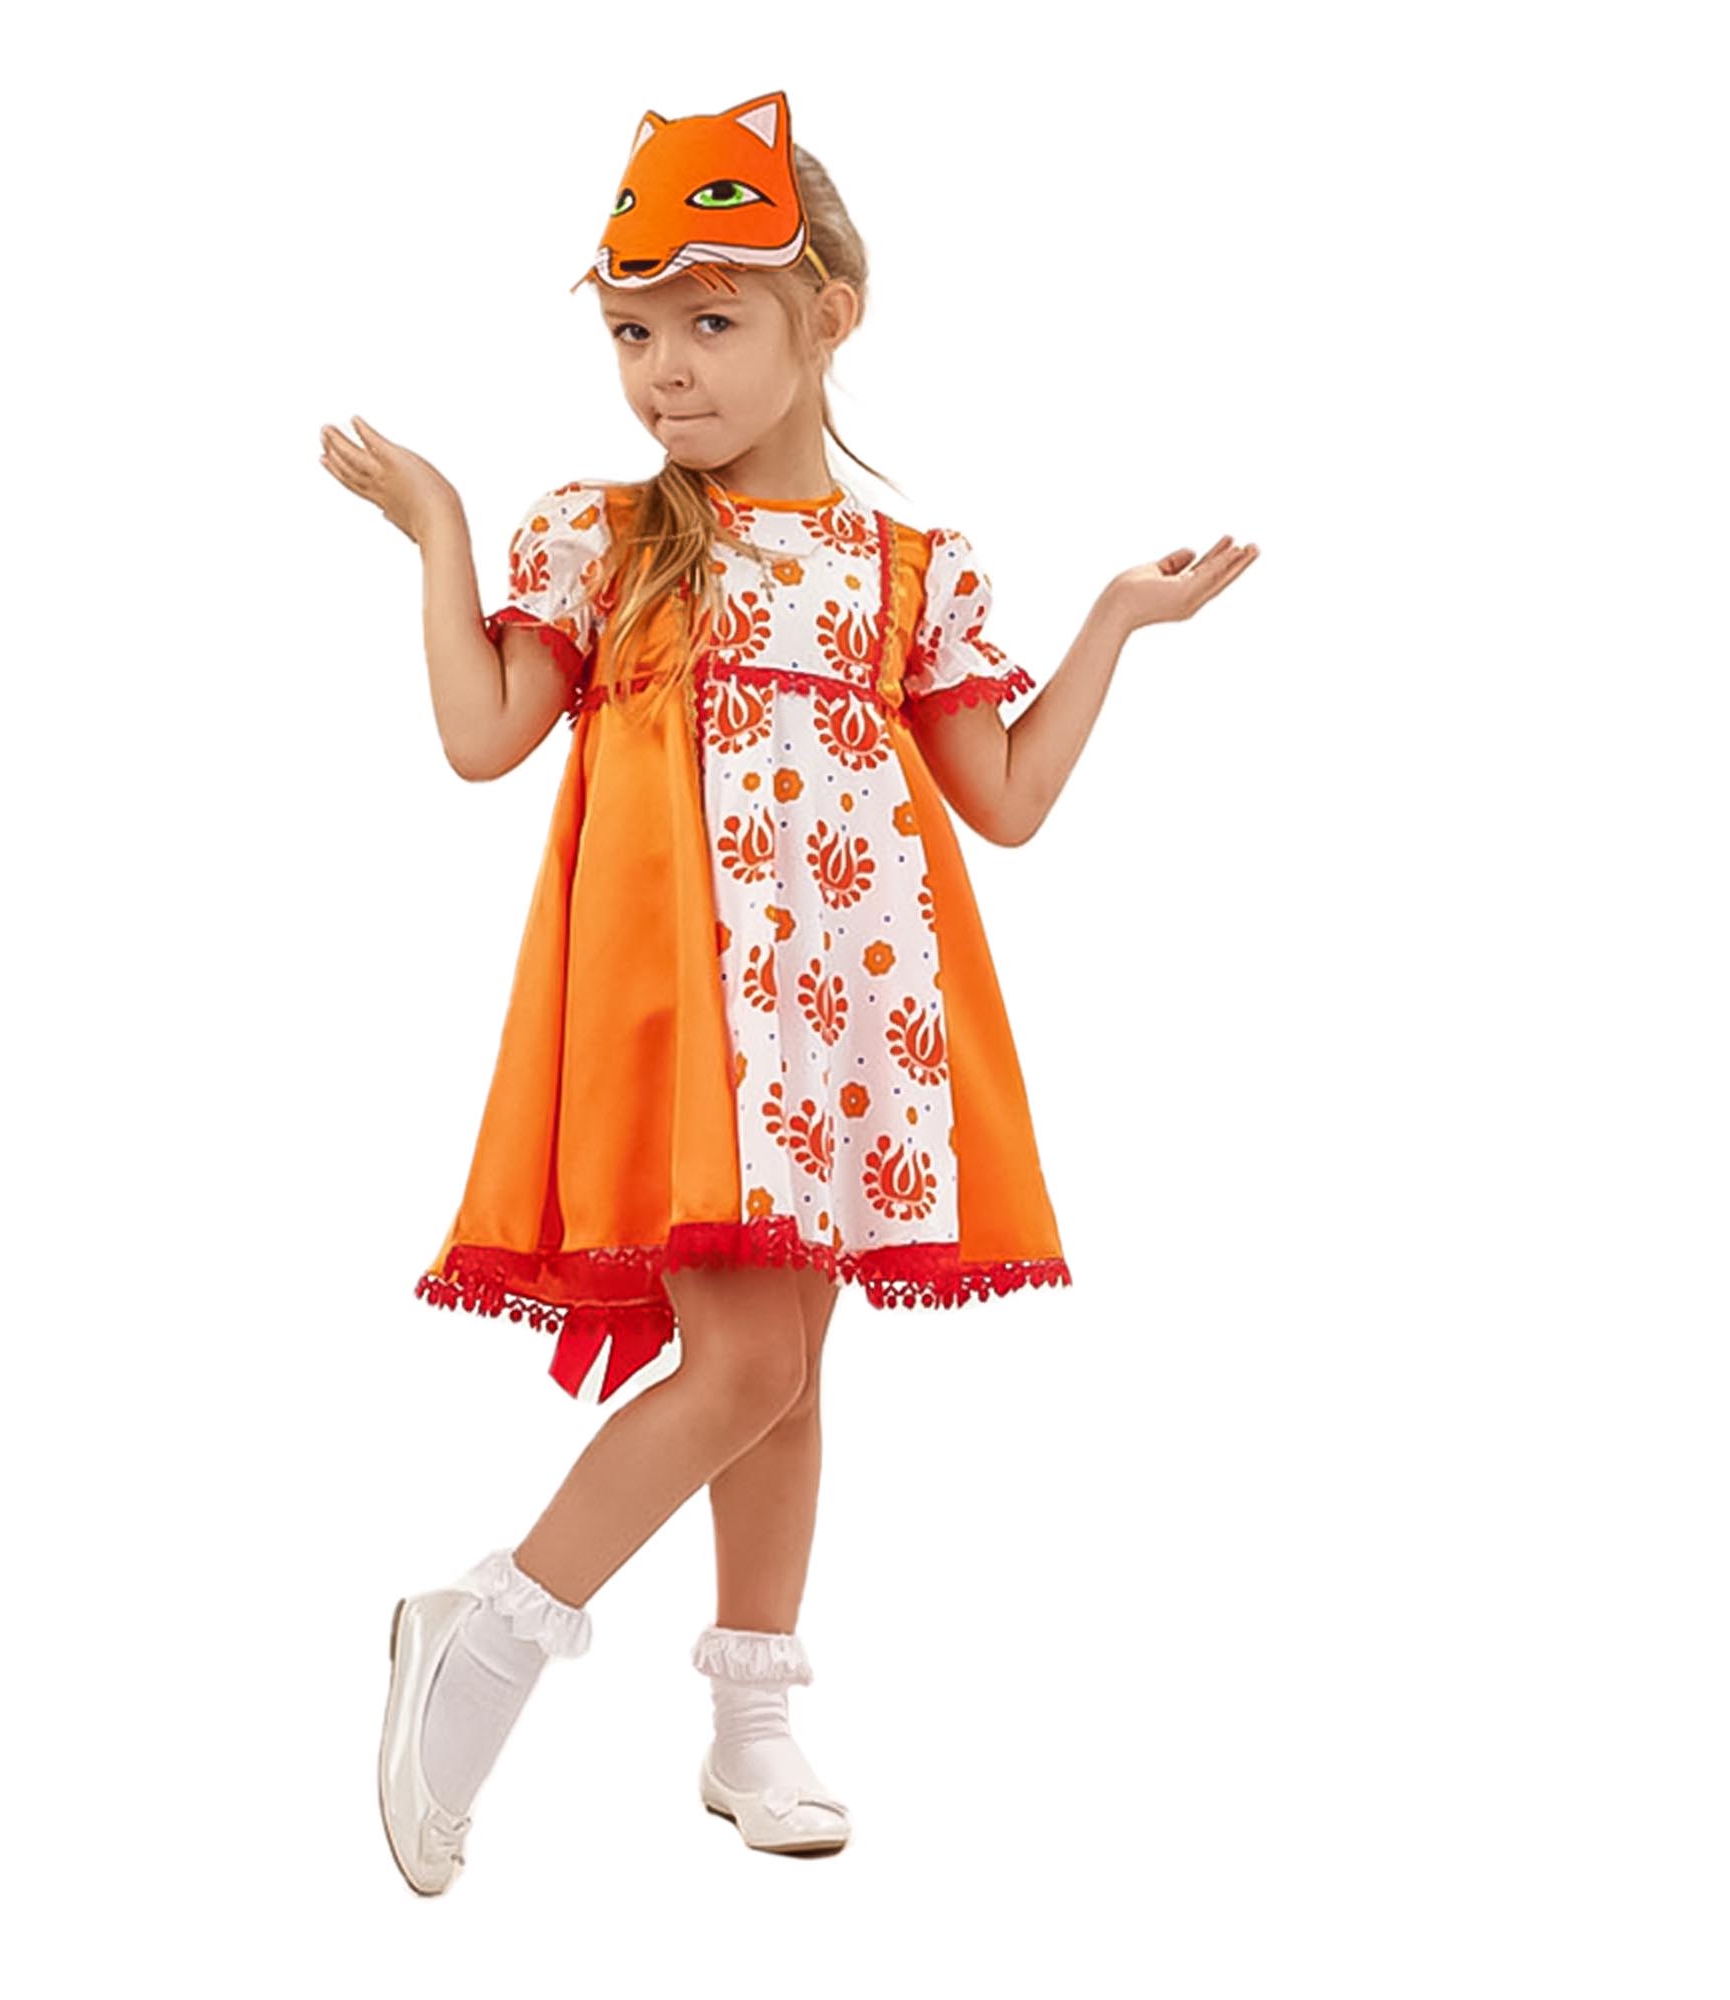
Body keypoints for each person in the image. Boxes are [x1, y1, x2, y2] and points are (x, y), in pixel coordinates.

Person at [319, 88, 1258, 1896]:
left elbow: (1005, 801)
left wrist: (1115, 625)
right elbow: (483, 735)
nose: (664, 371)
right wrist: (437, 527)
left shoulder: (910, 575)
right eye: (631, 333)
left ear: (830, 314)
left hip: (844, 1020)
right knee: (747, 1359)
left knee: (787, 1368)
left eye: (709, 321)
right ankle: (489, 1628)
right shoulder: (608, 541)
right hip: (696, 1025)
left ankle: (752, 1717)